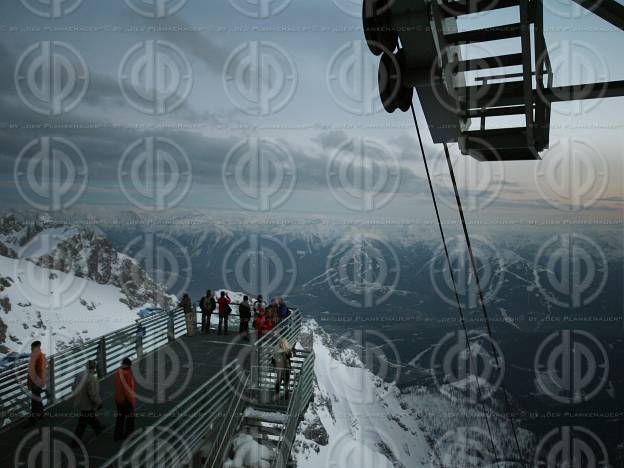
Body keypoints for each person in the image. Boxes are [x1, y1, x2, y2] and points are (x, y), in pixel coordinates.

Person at [73, 360, 103, 446]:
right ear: (94, 368)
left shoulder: (79, 375)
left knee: (90, 417)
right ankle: (75, 442)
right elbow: (93, 394)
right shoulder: (91, 378)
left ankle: (98, 428)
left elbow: (73, 387)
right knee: (82, 423)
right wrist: (99, 402)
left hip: (80, 401)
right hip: (88, 404)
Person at [24, 340, 46, 427]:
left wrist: (36, 384)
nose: (31, 349)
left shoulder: (38, 356)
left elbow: (39, 371)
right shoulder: (37, 355)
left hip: (36, 383)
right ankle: (41, 415)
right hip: (36, 382)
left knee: (34, 402)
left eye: (32, 347)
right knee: (37, 399)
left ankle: (32, 420)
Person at [114, 358, 136, 442]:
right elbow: (128, 390)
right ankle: (129, 435)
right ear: (129, 366)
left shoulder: (118, 372)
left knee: (120, 418)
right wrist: (132, 401)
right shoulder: (127, 375)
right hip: (126, 400)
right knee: (130, 418)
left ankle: (117, 435)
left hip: (118, 399)